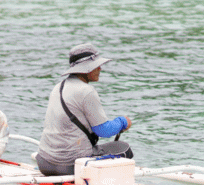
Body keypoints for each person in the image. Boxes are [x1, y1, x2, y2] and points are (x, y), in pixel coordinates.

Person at [35, 43, 132, 176]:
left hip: (44, 162)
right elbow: (103, 130)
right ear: (86, 69)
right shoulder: (87, 91)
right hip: (69, 164)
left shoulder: (58, 87)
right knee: (125, 149)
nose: (100, 69)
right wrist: (123, 122)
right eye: (97, 66)